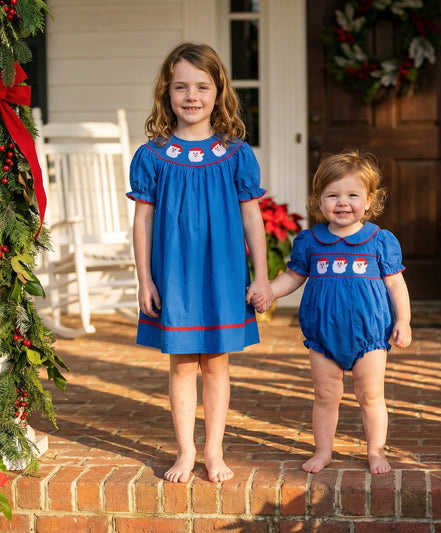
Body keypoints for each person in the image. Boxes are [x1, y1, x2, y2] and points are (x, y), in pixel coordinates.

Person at [127, 42, 273, 483]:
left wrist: (262, 276)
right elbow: (143, 222)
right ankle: (185, 452)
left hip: (222, 273)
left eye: (201, 86)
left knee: (217, 364)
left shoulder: (236, 154)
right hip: (173, 275)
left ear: (218, 92)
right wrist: (144, 280)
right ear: (166, 93)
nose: (191, 96)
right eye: (181, 87)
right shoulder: (152, 156)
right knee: (182, 363)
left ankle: (214, 450)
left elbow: (252, 218)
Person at [251, 151, 411, 475]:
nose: (342, 202)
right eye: (332, 195)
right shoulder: (310, 241)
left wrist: (404, 320)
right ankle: (323, 450)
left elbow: (396, 285)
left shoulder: (380, 241)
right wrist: (269, 289)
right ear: (319, 200)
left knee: (371, 395)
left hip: (370, 334)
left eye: (352, 195)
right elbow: (294, 276)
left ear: (368, 201)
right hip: (323, 334)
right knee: (325, 395)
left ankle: (376, 452)